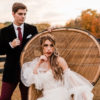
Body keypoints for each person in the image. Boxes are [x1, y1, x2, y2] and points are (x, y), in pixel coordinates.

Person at [21, 34, 94, 100]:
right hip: (46, 95)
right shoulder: (39, 61)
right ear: (41, 47)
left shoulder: (59, 60)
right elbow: (32, 79)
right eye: (46, 45)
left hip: (60, 94)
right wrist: (39, 63)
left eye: (51, 45)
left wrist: (83, 93)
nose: (49, 48)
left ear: (54, 48)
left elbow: (70, 77)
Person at [0, 2, 38, 100]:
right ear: (13, 13)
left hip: (27, 72)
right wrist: (10, 45)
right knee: (4, 98)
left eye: (25, 14)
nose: (23, 16)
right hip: (10, 72)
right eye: (20, 14)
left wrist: (48, 31)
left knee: (27, 98)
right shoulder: (4, 31)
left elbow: (40, 45)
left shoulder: (32, 29)